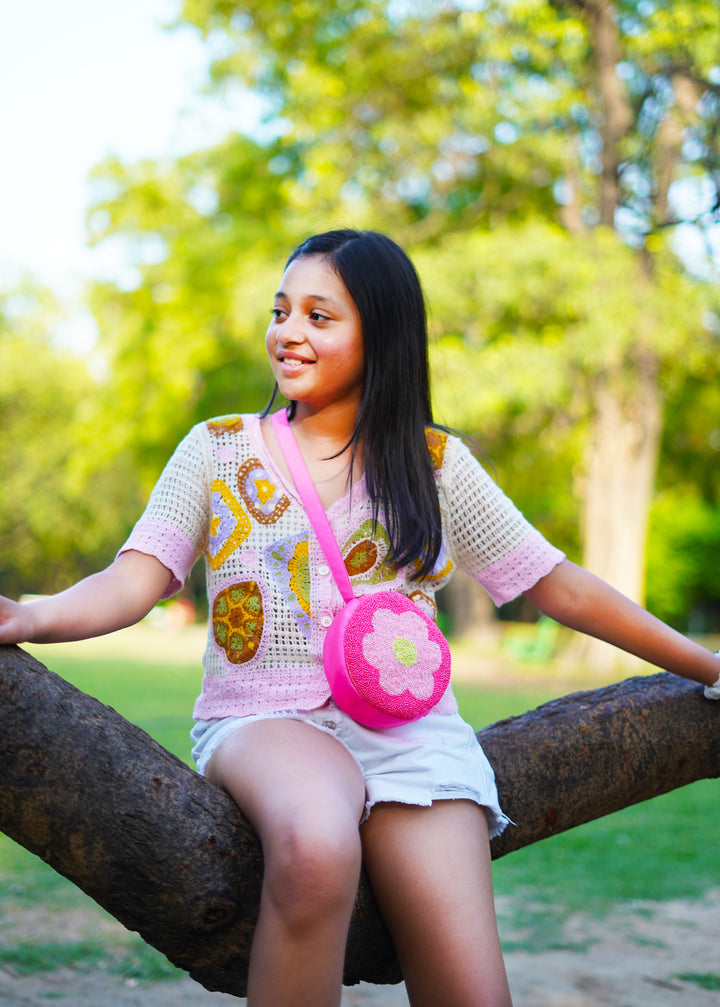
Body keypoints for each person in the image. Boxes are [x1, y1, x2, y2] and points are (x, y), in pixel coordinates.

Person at [0, 228, 718, 1007]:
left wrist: (708, 665)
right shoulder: (218, 450)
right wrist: (33, 615)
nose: (288, 332)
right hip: (268, 718)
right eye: (282, 311)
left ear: (381, 335)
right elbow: (135, 577)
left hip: (411, 734)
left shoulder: (434, 462)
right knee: (315, 844)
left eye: (319, 315)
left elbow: (557, 584)